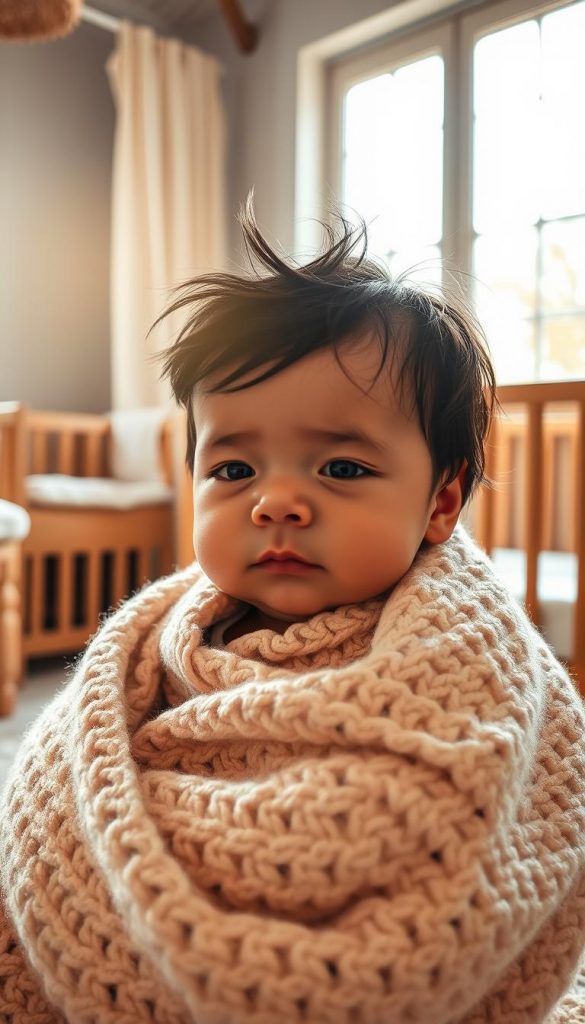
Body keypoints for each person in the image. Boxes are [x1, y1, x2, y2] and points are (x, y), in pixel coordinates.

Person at [0, 198, 583, 1024]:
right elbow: (56, 773)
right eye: (233, 470)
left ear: (440, 501)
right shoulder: (159, 646)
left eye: (341, 469)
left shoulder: (474, 667)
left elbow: (526, 811)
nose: (276, 503)